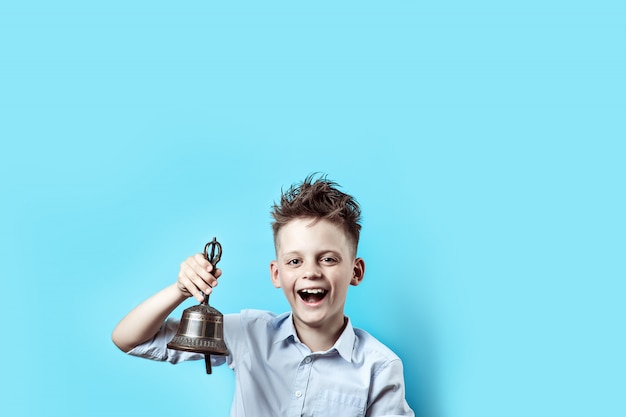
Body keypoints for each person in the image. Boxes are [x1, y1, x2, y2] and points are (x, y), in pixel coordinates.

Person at [112, 175, 415, 417]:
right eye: (295, 261)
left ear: (356, 272)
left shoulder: (380, 367)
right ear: (276, 274)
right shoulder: (249, 333)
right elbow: (130, 339)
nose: (310, 272)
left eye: (328, 259)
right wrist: (180, 290)